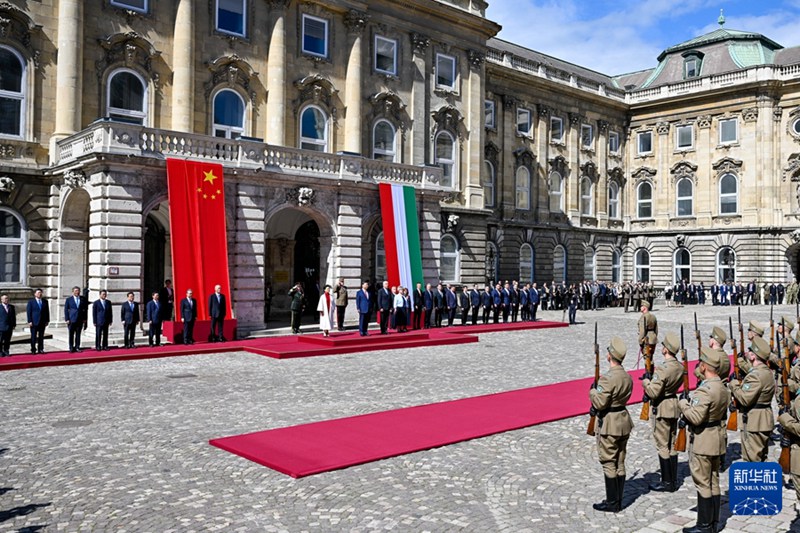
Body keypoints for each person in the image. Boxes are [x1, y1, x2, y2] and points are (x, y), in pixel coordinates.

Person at [679, 347, 728, 533]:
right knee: (714, 481)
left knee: (703, 483)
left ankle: (704, 525)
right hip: (716, 437)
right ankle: (714, 522)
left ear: (705, 366)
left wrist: (683, 404)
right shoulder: (722, 387)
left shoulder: (705, 391)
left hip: (703, 440)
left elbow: (696, 417)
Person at [589, 336, 633, 513]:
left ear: (610, 355)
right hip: (623, 420)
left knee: (609, 461)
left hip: (610, 423)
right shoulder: (627, 377)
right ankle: (619, 499)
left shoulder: (608, 379)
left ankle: (612, 502)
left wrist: (592, 391)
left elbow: (600, 403)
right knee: (620, 461)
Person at [641, 332, 683, 492]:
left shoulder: (663, 369)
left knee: (662, 445)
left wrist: (646, 382)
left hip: (662, 407)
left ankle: (666, 482)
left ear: (666, 350)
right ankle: (672, 479)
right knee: (672, 443)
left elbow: (653, 392)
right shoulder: (679, 366)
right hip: (674, 404)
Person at [729, 336, 775, 462]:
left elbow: (745, 399)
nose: (748, 352)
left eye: (750, 350)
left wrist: (733, 385)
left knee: (751, 459)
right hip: (764, 419)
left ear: (754, 356)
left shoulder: (755, 376)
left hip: (754, 422)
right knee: (761, 458)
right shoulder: (767, 373)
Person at [64, 286, 88, 353]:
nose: (77, 292)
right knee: (71, 334)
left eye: (78, 291)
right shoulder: (69, 300)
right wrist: (67, 319)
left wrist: (85, 318)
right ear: (73, 292)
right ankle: (71, 347)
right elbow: (66, 310)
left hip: (80, 319)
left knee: (78, 334)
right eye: (75, 291)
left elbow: (85, 310)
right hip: (72, 319)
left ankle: (77, 347)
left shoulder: (83, 299)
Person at [26, 288, 49, 354]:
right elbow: (29, 312)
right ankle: (33, 349)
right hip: (34, 322)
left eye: (41, 293)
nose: (40, 294)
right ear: (35, 294)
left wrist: (47, 320)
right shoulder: (31, 302)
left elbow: (47, 311)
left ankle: (40, 349)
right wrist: (29, 321)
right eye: (38, 293)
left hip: (42, 322)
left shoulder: (45, 301)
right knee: (33, 336)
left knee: (41, 336)